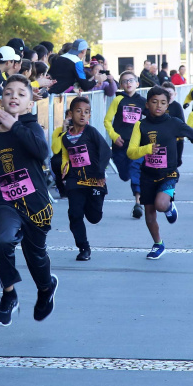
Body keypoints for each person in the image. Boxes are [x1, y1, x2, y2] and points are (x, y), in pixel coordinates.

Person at [0, 75, 57, 327]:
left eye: (20, 93)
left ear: (29, 103)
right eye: (8, 92)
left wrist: (15, 126)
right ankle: (9, 295)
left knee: (35, 257)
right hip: (4, 200)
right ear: (1, 99)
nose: (14, 96)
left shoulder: (32, 128)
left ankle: (46, 288)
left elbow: (42, 153)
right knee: (3, 239)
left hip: (36, 204)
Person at [127, 87, 193, 259]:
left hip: (168, 174)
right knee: (149, 213)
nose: (158, 105)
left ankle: (169, 206)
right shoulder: (140, 125)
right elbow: (131, 152)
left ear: (168, 105)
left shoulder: (174, 123)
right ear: (147, 104)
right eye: (154, 102)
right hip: (148, 175)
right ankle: (158, 244)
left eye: (163, 103)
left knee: (160, 204)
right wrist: (148, 149)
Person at [52, 96, 111, 262]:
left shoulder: (91, 132)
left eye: (86, 112)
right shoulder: (65, 137)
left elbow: (106, 151)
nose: (83, 115)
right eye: (78, 111)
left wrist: (100, 173)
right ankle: (83, 247)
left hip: (95, 181)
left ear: (90, 116)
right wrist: (65, 165)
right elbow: (63, 153)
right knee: (75, 214)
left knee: (94, 217)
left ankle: (91, 202)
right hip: (75, 180)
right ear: (71, 114)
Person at [104, 71, 147, 218]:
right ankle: (136, 193)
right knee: (124, 175)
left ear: (137, 83)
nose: (128, 83)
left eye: (131, 80)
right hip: (120, 145)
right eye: (124, 81)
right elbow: (107, 121)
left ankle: (138, 203)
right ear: (121, 85)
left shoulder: (142, 101)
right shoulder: (118, 100)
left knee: (136, 170)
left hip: (136, 145)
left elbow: (153, 119)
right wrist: (114, 136)